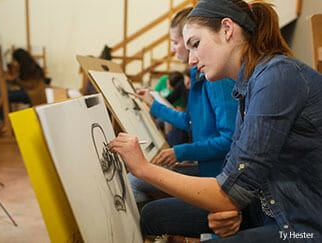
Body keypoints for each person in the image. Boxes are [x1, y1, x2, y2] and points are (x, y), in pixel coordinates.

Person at [109, 0, 322, 242]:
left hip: (301, 223)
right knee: (153, 215)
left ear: (227, 29)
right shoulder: (247, 86)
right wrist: (229, 209)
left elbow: (229, 191)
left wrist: (143, 168)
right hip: (264, 204)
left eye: (195, 44)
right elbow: (234, 173)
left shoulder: (277, 76)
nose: (190, 60)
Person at [127, 6, 238, 238]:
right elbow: (189, 120)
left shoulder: (215, 77)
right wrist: (152, 104)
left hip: (217, 176)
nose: (173, 49)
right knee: (143, 178)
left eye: (178, 43)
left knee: (137, 182)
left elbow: (228, 139)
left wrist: (181, 151)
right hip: (210, 168)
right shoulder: (199, 75)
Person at [0, 48, 47, 133]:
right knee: (2, 96)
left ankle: (6, 122)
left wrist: (15, 80)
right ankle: (7, 122)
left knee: (1, 96)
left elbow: (30, 85)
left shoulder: (31, 67)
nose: (14, 62)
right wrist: (14, 79)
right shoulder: (27, 65)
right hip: (30, 92)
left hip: (33, 94)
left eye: (15, 60)